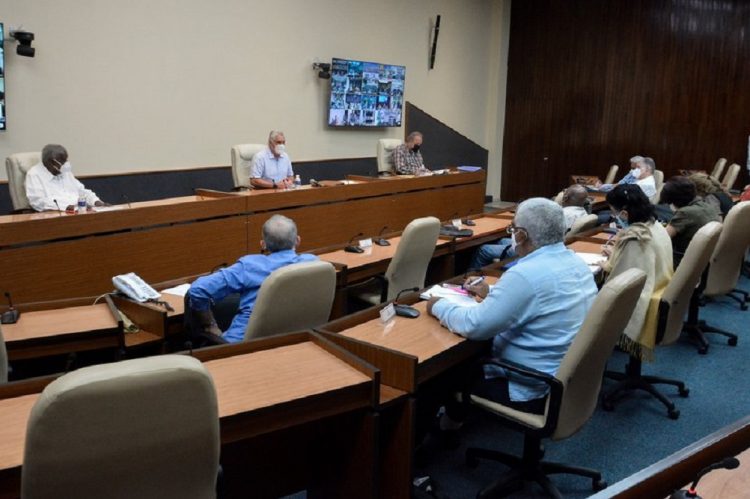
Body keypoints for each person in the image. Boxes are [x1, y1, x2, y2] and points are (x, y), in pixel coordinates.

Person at [428, 198, 597, 415]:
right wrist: (492, 294)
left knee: (440, 375)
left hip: (530, 386)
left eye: (513, 228)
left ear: (522, 235)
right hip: (564, 376)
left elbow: (475, 325)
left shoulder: (525, 274)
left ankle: (446, 429)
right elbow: (538, 300)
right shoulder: (575, 262)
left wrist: (438, 305)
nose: (512, 234)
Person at [187, 215, 317, 343]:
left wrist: (211, 326)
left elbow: (198, 290)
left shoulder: (250, 266)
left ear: (263, 244)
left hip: (241, 348)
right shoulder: (313, 263)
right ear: (298, 240)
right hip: (293, 340)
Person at [600, 185, 673, 360]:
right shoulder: (656, 226)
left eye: (613, 212)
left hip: (643, 301)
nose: (614, 217)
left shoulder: (636, 238)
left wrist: (606, 265)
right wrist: (618, 253)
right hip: (661, 290)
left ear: (624, 214)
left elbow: (620, 282)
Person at [468, 184, 590, 269]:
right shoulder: (583, 212)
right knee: (501, 240)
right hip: (545, 246)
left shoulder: (560, 214)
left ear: (566, 198)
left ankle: (474, 275)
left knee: (484, 249)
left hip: (534, 247)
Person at [24, 144, 106, 212]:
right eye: (63, 161)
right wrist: (68, 207)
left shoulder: (65, 171)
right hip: (56, 216)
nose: (66, 163)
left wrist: (96, 202)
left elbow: (82, 191)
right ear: (51, 162)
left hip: (78, 212)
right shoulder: (34, 174)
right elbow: (38, 202)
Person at [660, 176, 720, 264]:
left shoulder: (685, 213)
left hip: (682, 260)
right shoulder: (708, 206)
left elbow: (662, 239)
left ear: (674, 200)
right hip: (706, 260)